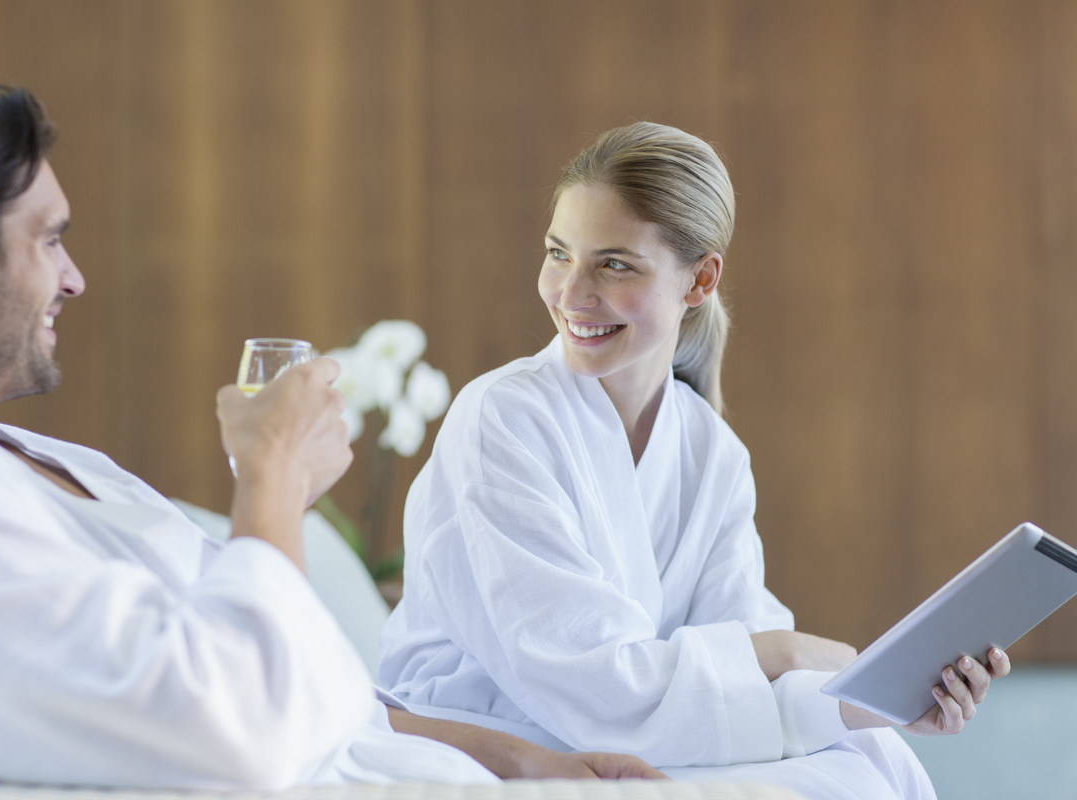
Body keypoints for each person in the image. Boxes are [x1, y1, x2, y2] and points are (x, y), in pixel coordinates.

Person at [0, 77, 664, 789]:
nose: (75, 277)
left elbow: (316, 685)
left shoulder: (21, 459)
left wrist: (523, 760)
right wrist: (273, 476)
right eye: (50, 240)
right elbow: (244, 723)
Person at [378, 122, 1010, 800]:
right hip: (495, 732)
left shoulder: (711, 452)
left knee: (871, 762)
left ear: (700, 280)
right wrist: (789, 652)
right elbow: (597, 683)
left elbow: (737, 657)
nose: (570, 293)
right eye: (559, 253)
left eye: (615, 264)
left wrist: (886, 700)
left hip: (640, 732)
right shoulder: (501, 420)